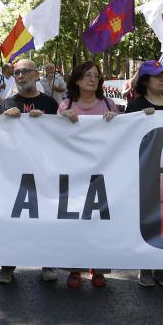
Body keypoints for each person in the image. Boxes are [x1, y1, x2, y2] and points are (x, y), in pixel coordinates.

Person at [0, 59, 59, 284]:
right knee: (13, 218)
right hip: (15, 170)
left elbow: (60, 134)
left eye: (25, 72)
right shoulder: (8, 102)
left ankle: (47, 263)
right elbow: (0, 135)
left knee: (44, 216)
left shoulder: (50, 103)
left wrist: (46, 119)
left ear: (36, 75)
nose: (20, 76)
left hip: (44, 169)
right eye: (16, 73)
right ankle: (8, 265)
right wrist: (6, 117)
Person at [58, 61, 117, 289]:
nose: (93, 79)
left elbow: (121, 132)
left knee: (100, 221)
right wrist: (63, 117)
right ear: (78, 80)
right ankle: (75, 268)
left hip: (102, 170)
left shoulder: (108, 103)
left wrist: (116, 119)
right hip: (75, 172)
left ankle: (99, 268)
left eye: (96, 75)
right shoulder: (66, 104)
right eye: (88, 75)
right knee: (76, 222)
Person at [123, 60, 163, 288]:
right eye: (157, 76)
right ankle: (145, 266)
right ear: (145, 81)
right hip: (144, 171)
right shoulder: (135, 106)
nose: (162, 80)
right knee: (147, 218)